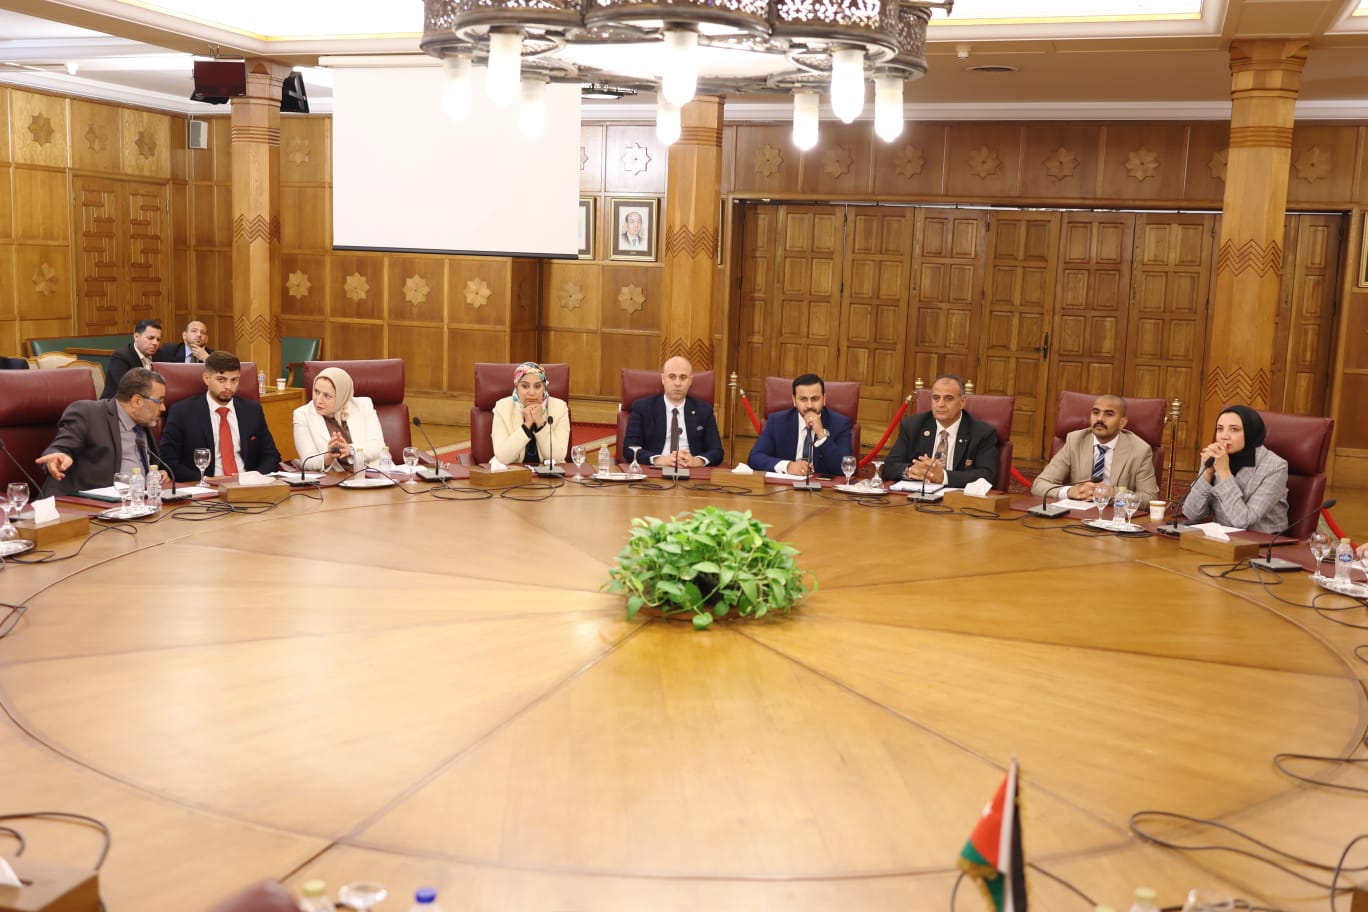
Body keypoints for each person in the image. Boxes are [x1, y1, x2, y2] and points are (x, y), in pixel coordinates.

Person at [36, 367, 170, 496]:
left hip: (136, 502)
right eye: (160, 401)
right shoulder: (88, 413)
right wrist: (57, 457)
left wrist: (153, 475)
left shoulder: (143, 422)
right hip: (81, 503)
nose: (163, 408)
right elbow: (61, 447)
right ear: (137, 401)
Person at [158, 351, 282, 482]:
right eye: (221, 379)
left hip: (248, 484)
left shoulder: (252, 410)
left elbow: (271, 455)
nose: (228, 387)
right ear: (206, 378)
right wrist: (206, 480)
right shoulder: (182, 412)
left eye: (234, 380)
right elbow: (168, 460)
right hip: (205, 485)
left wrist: (254, 478)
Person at [1031, 394, 1158, 503]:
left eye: (1109, 414)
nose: (1100, 419)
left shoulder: (1139, 450)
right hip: (1078, 511)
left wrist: (1114, 494)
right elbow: (1039, 485)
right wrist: (1069, 492)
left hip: (1114, 515)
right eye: (1095, 412)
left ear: (1122, 423)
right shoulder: (1075, 440)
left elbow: (1150, 498)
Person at [1182, 405, 1289, 533]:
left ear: (1250, 432)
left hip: (1263, 540)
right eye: (1220, 429)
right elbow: (1191, 513)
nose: (1224, 436)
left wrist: (1224, 472)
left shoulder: (1275, 467)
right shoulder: (1215, 457)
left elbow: (1243, 521)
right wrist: (1207, 473)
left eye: (1234, 429)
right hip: (1222, 537)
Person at [881, 373, 997, 488]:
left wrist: (943, 477)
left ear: (962, 401)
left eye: (949, 398)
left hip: (957, 496)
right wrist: (911, 470)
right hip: (918, 493)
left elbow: (987, 475)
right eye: (936, 398)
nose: (940, 404)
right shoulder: (913, 426)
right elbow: (889, 467)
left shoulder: (981, 432)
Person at [623, 356, 725, 468]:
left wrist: (697, 461)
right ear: (663, 379)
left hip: (691, 470)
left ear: (690, 381)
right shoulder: (642, 407)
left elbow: (717, 451)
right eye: (672, 377)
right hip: (656, 469)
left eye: (683, 377)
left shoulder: (704, 410)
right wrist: (658, 459)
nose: (677, 383)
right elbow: (629, 449)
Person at [747, 373, 852, 476]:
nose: (809, 405)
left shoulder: (840, 424)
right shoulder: (777, 422)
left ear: (824, 399)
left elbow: (845, 469)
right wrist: (788, 466)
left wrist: (821, 434)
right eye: (803, 399)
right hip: (785, 484)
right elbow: (755, 457)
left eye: (815, 399)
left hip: (822, 485)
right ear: (794, 400)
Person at [292, 367, 387, 472]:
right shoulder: (302, 415)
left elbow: (378, 446)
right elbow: (307, 461)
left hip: (374, 473)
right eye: (316, 392)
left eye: (327, 396)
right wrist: (328, 456)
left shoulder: (363, 405)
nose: (318, 400)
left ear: (342, 396)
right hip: (336, 478)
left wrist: (350, 450)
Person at [490, 361, 571, 466]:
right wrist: (527, 424)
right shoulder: (502, 407)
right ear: (517, 386)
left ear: (544, 387)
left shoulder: (559, 408)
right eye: (525, 386)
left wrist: (541, 423)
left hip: (548, 473)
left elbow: (557, 457)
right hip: (511, 472)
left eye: (537, 386)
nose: (532, 393)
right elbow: (503, 458)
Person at [101, 319, 162, 398]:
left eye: (158, 339)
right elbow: (128, 389)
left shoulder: (160, 355)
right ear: (136, 337)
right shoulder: (120, 357)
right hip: (119, 402)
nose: (155, 343)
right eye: (150, 338)